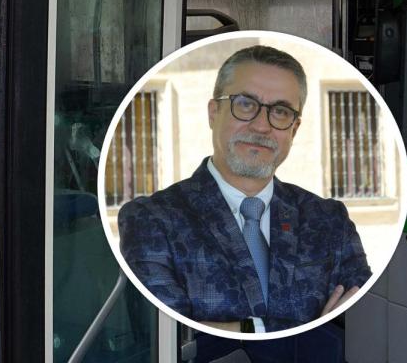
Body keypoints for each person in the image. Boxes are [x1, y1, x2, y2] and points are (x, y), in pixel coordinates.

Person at [118, 45, 371, 333]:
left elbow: (360, 323)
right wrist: (305, 329)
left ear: (295, 128)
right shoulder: (151, 219)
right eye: (246, 104)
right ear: (214, 113)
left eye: (280, 111)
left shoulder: (328, 219)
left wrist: (232, 328)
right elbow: (166, 336)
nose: (262, 126)